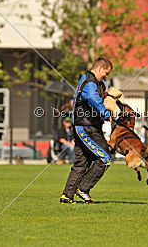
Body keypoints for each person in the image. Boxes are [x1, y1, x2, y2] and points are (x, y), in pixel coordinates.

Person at [60, 57, 113, 204]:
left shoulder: (96, 82)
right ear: (100, 68)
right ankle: (83, 189)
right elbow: (93, 99)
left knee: (82, 162)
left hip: (88, 126)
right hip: (86, 127)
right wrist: (105, 114)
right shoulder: (90, 83)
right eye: (106, 72)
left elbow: (105, 97)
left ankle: (67, 196)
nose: (106, 76)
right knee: (104, 159)